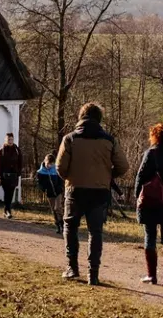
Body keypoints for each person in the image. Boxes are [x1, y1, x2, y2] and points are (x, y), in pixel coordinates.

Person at [57, 102, 128, 286]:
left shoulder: (70, 139)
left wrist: (70, 177)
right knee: (95, 232)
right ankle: (93, 274)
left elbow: (60, 166)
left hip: (75, 190)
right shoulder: (109, 140)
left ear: (81, 118)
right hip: (99, 192)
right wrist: (107, 176)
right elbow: (123, 166)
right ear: (99, 119)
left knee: (70, 227)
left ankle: (72, 267)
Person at [134, 123, 163, 285]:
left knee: (150, 236)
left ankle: (152, 275)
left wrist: (137, 197)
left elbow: (140, 177)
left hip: (152, 201)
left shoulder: (151, 153)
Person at [0, 133, 22, 219]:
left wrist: (18, 173)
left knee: (11, 193)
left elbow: (20, 162)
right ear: (5, 140)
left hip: (14, 176)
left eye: (11, 139)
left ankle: (7, 209)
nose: (10, 141)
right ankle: (8, 210)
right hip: (4, 176)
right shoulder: (2, 150)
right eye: (8, 140)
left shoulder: (17, 150)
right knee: (7, 193)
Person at [36, 153, 64, 234]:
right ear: (45, 162)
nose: (50, 166)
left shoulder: (56, 170)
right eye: (48, 164)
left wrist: (60, 187)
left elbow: (61, 179)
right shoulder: (40, 172)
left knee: (57, 208)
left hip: (58, 192)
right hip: (50, 193)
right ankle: (58, 225)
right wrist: (43, 189)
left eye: (52, 164)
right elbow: (39, 183)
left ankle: (62, 224)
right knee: (53, 210)